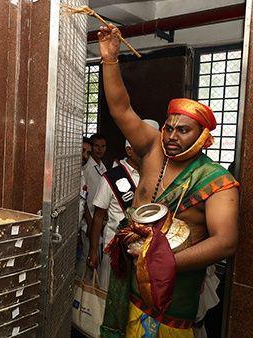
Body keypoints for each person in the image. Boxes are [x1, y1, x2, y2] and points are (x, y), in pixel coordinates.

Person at [96, 24, 240, 338]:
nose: (172, 136)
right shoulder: (152, 150)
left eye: (183, 130)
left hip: (173, 297)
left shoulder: (217, 181)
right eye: (169, 127)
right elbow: (120, 109)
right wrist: (109, 59)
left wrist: (165, 263)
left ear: (203, 137)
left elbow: (226, 242)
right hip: (129, 284)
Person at [87, 123, 155, 290]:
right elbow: (98, 218)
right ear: (129, 150)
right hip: (115, 250)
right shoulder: (111, 177)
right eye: (143, 148)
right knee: (110, 297)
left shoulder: (155, 175)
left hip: (145, 252)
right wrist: (94, 251)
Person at [77, 137, 93, 275]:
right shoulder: (64, 173)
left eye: (88, 153)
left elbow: (83, 201)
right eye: (82, 151)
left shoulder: (81, 174)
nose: (85, 156)